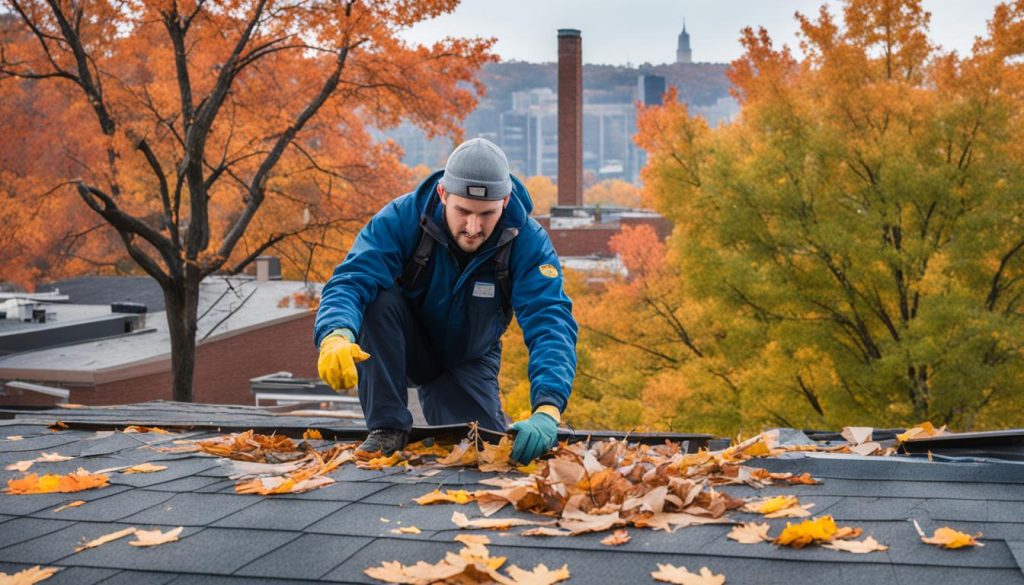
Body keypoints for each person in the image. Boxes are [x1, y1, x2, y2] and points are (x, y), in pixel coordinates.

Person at [314, 138, 577, 464]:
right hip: (405, 345)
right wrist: (335, 332)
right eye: (463, 211)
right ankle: (388, 428)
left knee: (486, 457)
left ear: (506, 201)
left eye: (487, 214)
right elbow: (352, 280)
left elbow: (549, 319)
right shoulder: (400, 219)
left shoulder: (527, 241)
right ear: (442, 194)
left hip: (469, 358)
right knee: (375, 298)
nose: (473, 227)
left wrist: (548, 407)